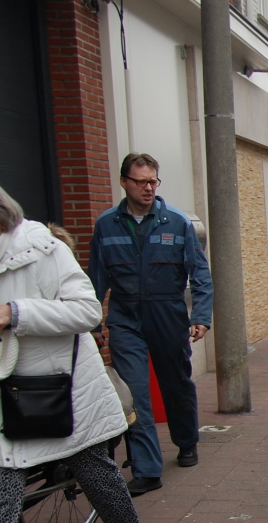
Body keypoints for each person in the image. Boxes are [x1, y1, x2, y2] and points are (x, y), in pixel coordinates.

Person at [0, 185, 157, 523]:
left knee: (93, 469)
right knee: (5, 487)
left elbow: (87, 311)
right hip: (7, 395)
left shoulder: (41, 249)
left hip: (59, 389)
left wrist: (16, 313)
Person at [88, 153, 212, 496]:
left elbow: (200, 273)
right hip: (125, 317)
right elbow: (95, 280)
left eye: (153, 181)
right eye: (141, 181)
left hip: (167, 314)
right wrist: (92, 321)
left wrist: (201, 315)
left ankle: (186, 441)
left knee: (175, 384)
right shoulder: (106, 226)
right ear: (124, 182)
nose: (148, 187)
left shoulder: (176, 223)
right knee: (135, 394)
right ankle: (146, 468)